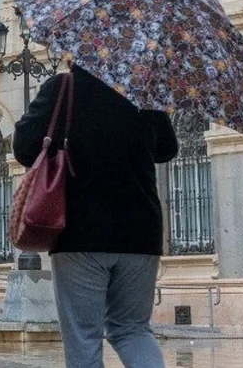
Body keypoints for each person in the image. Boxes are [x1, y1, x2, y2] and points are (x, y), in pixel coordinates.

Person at [14, 63, 179, 368]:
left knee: (83, 337)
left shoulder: (62, 88)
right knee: (132, 329)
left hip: (79, 233)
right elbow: (167, 149)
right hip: (140, 234)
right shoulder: (142, 90)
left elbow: (23, 148)